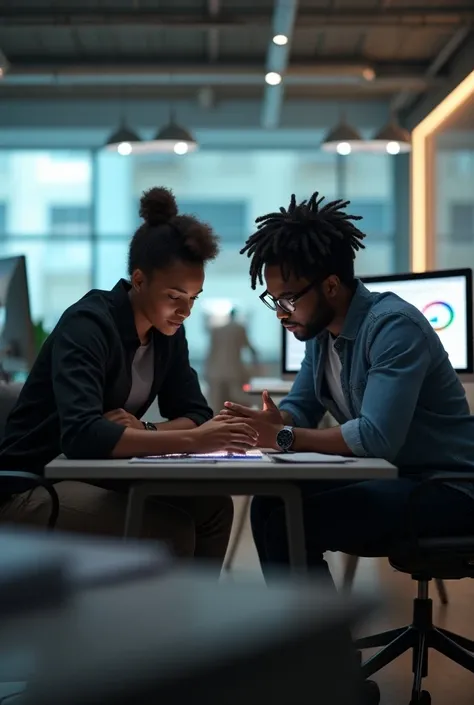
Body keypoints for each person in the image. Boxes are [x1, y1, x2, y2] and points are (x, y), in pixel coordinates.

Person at [219, 191, 474, 581]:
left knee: (293, 520)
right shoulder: (321, 336)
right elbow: (301, 406)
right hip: (395, 476)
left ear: (332, 286)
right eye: (274, 301)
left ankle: (321, 643)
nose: (281, 315)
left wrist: (283, 436)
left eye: (288, 300)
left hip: (445, 487)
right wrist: (272, 422)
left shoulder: (393, 327)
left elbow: (375, 438)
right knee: (270, 503)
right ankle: (311, 640)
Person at [0, 187, 258, 571]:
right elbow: (84, 436)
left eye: (194, 298)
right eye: (175, 296)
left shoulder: (167, 333)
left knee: (214, 508)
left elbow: (196, 412)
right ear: (138, 281)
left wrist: (149, 429)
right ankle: (154, 630)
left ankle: (194, 624)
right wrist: (194, 439)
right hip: (30, 485)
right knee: (169, 530)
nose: (185, 311)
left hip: (91, 473)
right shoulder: (87, 325)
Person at [205, 307, 258, 413]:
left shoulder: (217, 330)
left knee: (217, 403)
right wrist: (256, 363)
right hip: (234, 370)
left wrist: (207, 369)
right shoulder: (239, 328)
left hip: (216, 370)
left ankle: (217, 425)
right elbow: (249, 347)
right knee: (236, 401)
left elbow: (211, 351)